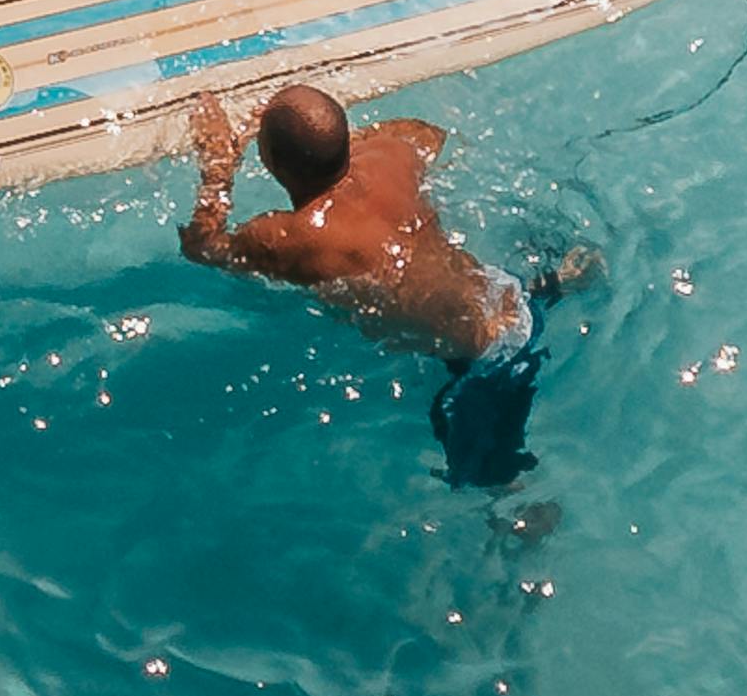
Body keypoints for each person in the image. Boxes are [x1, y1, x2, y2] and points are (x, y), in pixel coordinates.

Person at [181, 80, 596, 491]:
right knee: (465, 302)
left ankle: (524, 514)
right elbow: (429, 134)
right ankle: (558, 284)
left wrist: (218, 166)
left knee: (489, 476)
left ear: (268, 160)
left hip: (483, 362)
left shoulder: (293, 237)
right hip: (503, 294)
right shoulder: (392, 155)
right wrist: (308, 131)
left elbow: (204, 248)